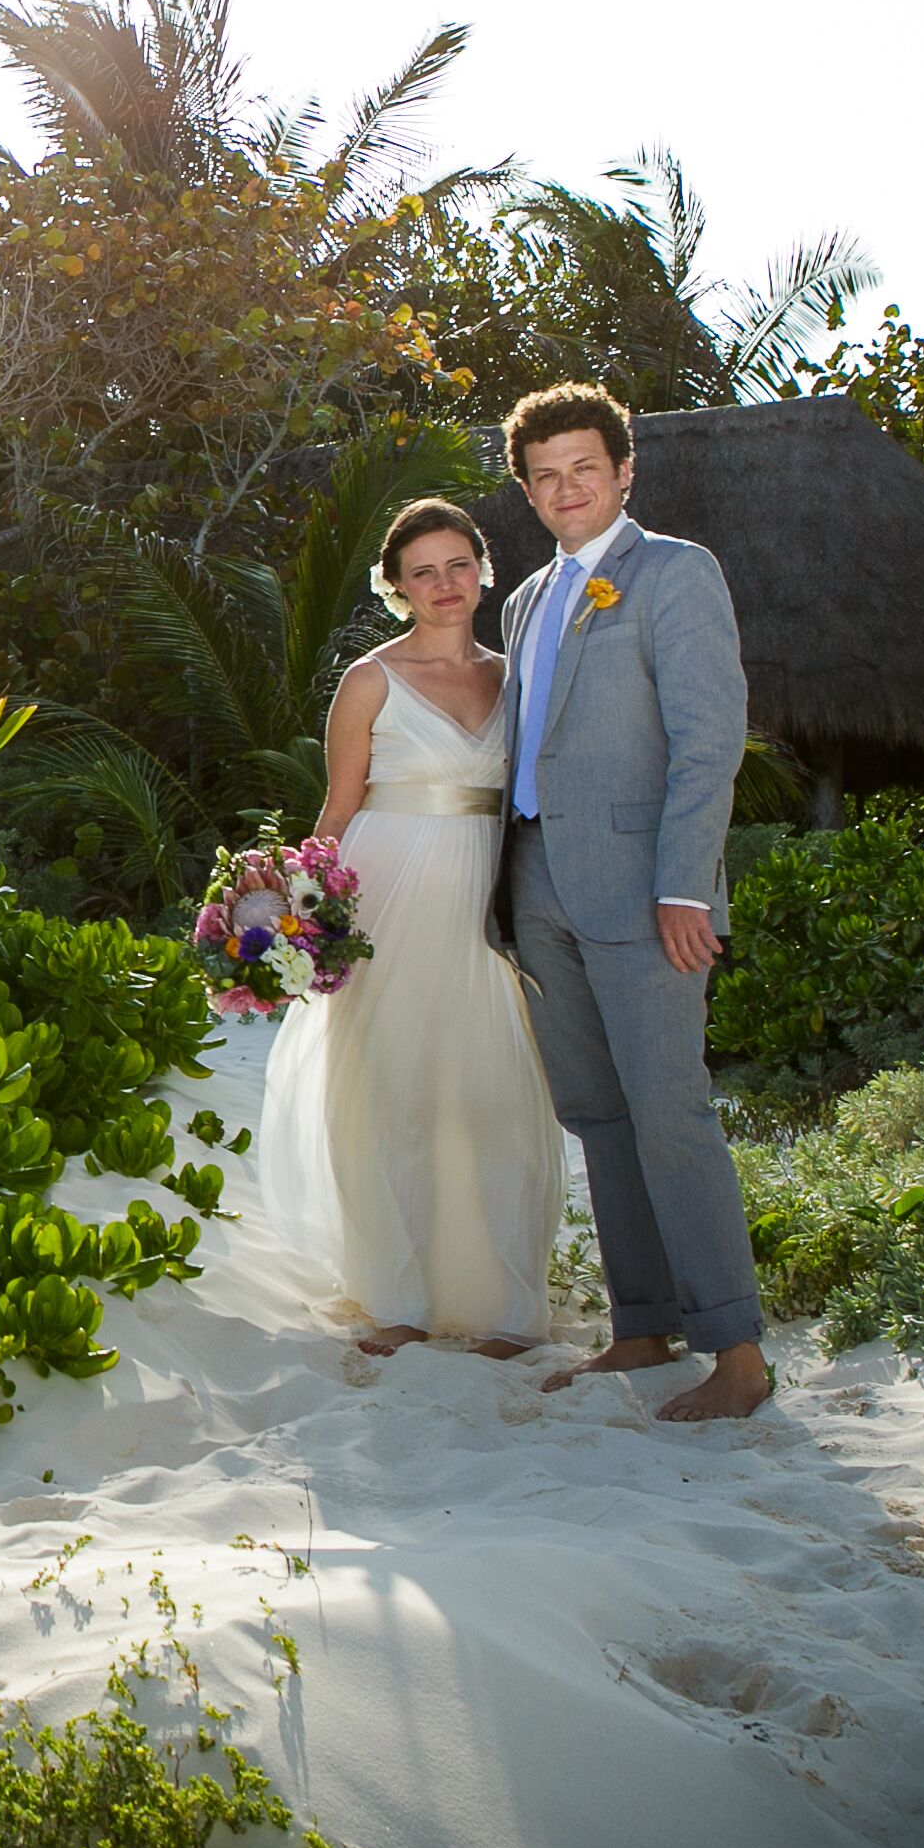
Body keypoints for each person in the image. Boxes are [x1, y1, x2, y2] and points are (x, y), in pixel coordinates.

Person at [492, 382, 771, 1422]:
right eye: (546, 475)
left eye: (584, 469)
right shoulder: (523, 602)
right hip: (535, 885)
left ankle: (736, 1355)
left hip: (648, 892)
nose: (566, 489)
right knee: (598, 1118)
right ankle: (642, 1326)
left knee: (672, 1115)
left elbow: (708, 744)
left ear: (623, 472)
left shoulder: (676, 574)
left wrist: (682, 886)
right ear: (527, 489)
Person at [260, 497, 566, 1356]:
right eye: (422, 572)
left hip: (490, 902)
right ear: (395, 586)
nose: (444, 585)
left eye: (457, 565)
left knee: (495, 1095)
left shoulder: (518, 678)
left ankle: (501, 1302)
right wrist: (297, 917)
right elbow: (336, 809)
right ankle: (393, 1298)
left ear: (483, 569)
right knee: (389, 1092)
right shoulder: (370, 681)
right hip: (386, 893)